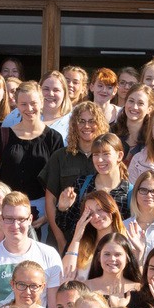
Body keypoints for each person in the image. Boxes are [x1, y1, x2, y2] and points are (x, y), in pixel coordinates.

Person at [0, 81, 64, 222]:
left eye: (33, 103)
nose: (29, 108)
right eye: (23, 104)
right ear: (16, 105)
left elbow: (58, 180)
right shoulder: (4, 135)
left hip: (41, 211)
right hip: (7, 210)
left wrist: (48, 215)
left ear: (41, 102)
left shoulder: (53, 138)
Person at [43, 103, 110, 248]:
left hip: (98, 235)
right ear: (74, 124)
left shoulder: (106, 158)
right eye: (81, 121)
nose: (87, 126)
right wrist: (60, 238)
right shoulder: (60, 156)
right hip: (63, 233)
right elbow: (50, 201)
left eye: (92, 121)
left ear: (100, 123)